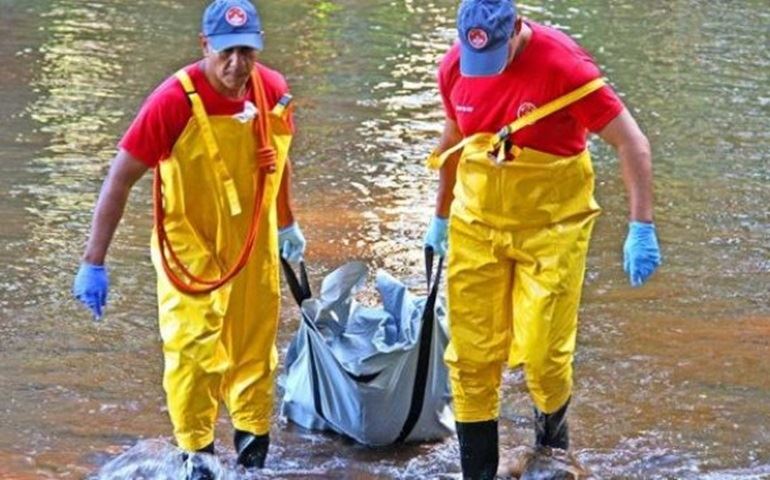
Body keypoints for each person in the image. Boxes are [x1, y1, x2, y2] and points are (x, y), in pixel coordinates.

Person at [422, 0, 662, 478]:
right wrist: (441, 217)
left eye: (495, 53)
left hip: (553, 226)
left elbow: (631, 142)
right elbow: (453, 141)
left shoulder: (564, 66)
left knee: (543, 354)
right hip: (477, 223)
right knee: (471, 358)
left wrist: (642, 226)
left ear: (515, 29)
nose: (485, 70)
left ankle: (551, 463)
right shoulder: (454, 67)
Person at [71, 1, 306, 477]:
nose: (237, 65)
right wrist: (94, 260)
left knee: (254, 351)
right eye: (226, 52)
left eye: (247, 51)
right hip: (190, 244)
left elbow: (275, 161)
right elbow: (119, 179)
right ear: (205, 46)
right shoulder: (172, 101)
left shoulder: (272, 91)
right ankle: (197, 457)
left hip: (252, 243)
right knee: (193, 350)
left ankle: (251, 459)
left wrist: (286, 224)